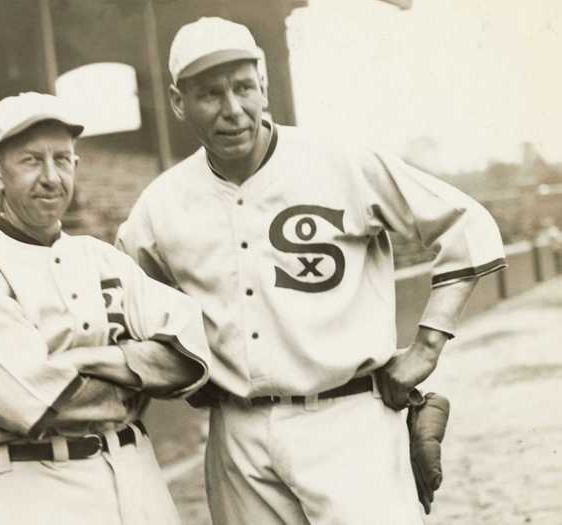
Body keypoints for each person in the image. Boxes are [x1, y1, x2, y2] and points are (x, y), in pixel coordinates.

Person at [116, 17, 507, 525]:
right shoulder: (160, 205)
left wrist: (428, 345)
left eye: (243, 88)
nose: (232, 110)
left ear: (264, 85)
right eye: (210, 94)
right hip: (238, 435)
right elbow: (126, 302)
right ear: (178, 102)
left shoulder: (338, 162)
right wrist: (189, 371)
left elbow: (467, 224)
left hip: (348, 421)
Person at [0, 92, 211, 525]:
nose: (50, 177)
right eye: (30, 161)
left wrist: (92, 358)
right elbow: (33, 400)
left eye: (62, 159)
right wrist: (140, 373)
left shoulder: (102, 257)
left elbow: (190, 352)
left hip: (136, 476)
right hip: (34, 484)